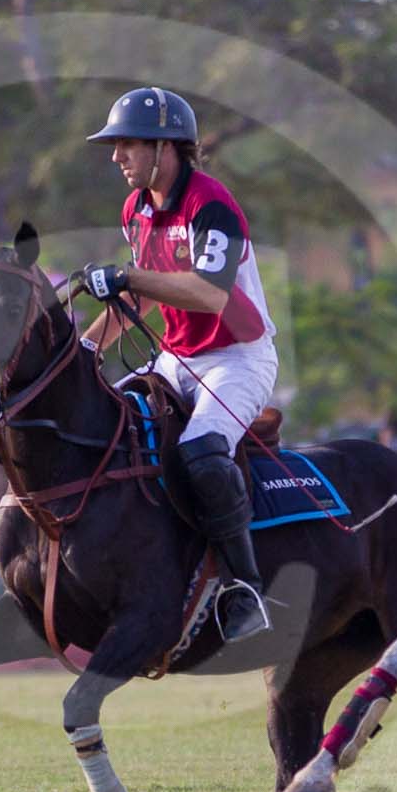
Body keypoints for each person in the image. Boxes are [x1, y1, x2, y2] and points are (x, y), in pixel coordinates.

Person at [76, 86, 279, 644]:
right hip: (178, 358)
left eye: (128, 145)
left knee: (201, 452)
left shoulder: (211, 204)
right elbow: (141, 297)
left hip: (237, 357)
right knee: (106, 427)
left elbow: (209, 293)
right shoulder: (136, 210)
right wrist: (87, 352)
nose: (116, 156)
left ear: (166, 147)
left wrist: (128, 276)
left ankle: (248, 588)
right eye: (115, 146)